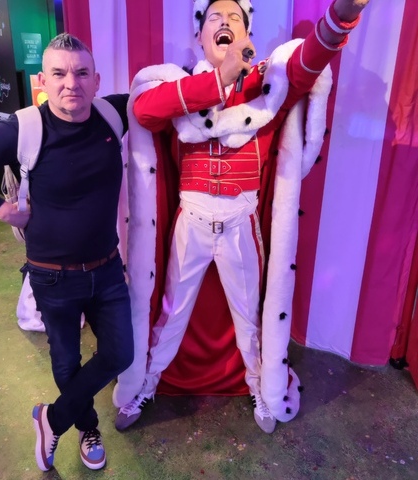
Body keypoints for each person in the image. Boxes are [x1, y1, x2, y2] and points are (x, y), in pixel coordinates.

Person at [112, 0, 371, 435]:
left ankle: (260, 388)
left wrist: (341, 16)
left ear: (247, 35)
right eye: (215, 17)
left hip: (240, 221)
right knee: (171, 313)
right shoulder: (178, 85)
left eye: (235, 17)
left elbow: (308, 63)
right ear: (200, 36)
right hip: (191, 220)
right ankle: (146, 385)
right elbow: (143, 111)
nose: (225, 22)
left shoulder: (268, 83)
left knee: (248, 316)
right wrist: (218, 80)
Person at [0, 33, 133, 472]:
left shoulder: (111, 114)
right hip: (53, 276)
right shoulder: (24, 128)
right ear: (43, 80)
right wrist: (2, 209)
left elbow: (162, 96)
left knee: (120, 353)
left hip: (107, 269)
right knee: (66, 362)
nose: (71, 83)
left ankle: (51, 419)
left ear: (97, 80)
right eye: (59, 73)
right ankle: (87, 427)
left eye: (81, 73)